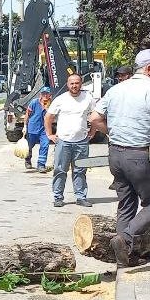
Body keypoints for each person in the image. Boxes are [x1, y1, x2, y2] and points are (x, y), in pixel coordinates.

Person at [89, 49, 150, 266]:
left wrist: (114, 132)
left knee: (126, 203)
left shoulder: (116, 89)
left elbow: (94, 118)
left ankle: (125, 257)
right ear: (149, 68)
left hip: (116, 154)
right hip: (141, 154)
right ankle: (125, 238)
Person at [46, 74, 96, 208]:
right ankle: (58, 197)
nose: (74, 86)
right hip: (63, 141)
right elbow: (48, 117)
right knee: (60, 170)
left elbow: (95, 116)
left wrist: (93, 132)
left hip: (81, 141)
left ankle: (80, 197)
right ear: (67, 84)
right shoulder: (60, 99)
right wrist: (49, 134)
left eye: (77, 83)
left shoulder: (88, 98)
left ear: (81, 84)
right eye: (72, 83)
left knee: (80, 170)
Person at [23, 88, 52, 173]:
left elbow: (53, 116)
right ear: (40, 95)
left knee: (45, 145)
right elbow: (27, 114)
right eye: (43, 94)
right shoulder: (34, 102)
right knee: (29, 146)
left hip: (44, 129)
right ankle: (27, 159)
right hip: (32, 128)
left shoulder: (52, 104)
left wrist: (47, 108)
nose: (45, 95)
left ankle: (41, 165)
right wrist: (25, 126)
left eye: (47, 94)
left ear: (50, 95)